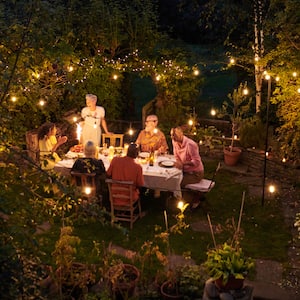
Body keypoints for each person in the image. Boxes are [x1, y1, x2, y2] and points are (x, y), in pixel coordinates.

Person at [170, 126, 204, 209]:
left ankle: (195, 198)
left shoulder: (191, 145)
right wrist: (178, 162)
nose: (172, 137)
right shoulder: (174, 141)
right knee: (172, 179)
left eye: (175, 135)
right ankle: (177, 197)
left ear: (181, 134)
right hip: (184, 170)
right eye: (171, 135)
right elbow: (176, 155)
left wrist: (183, 163)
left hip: (195, 173)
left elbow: (196, 162)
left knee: (177, 183)